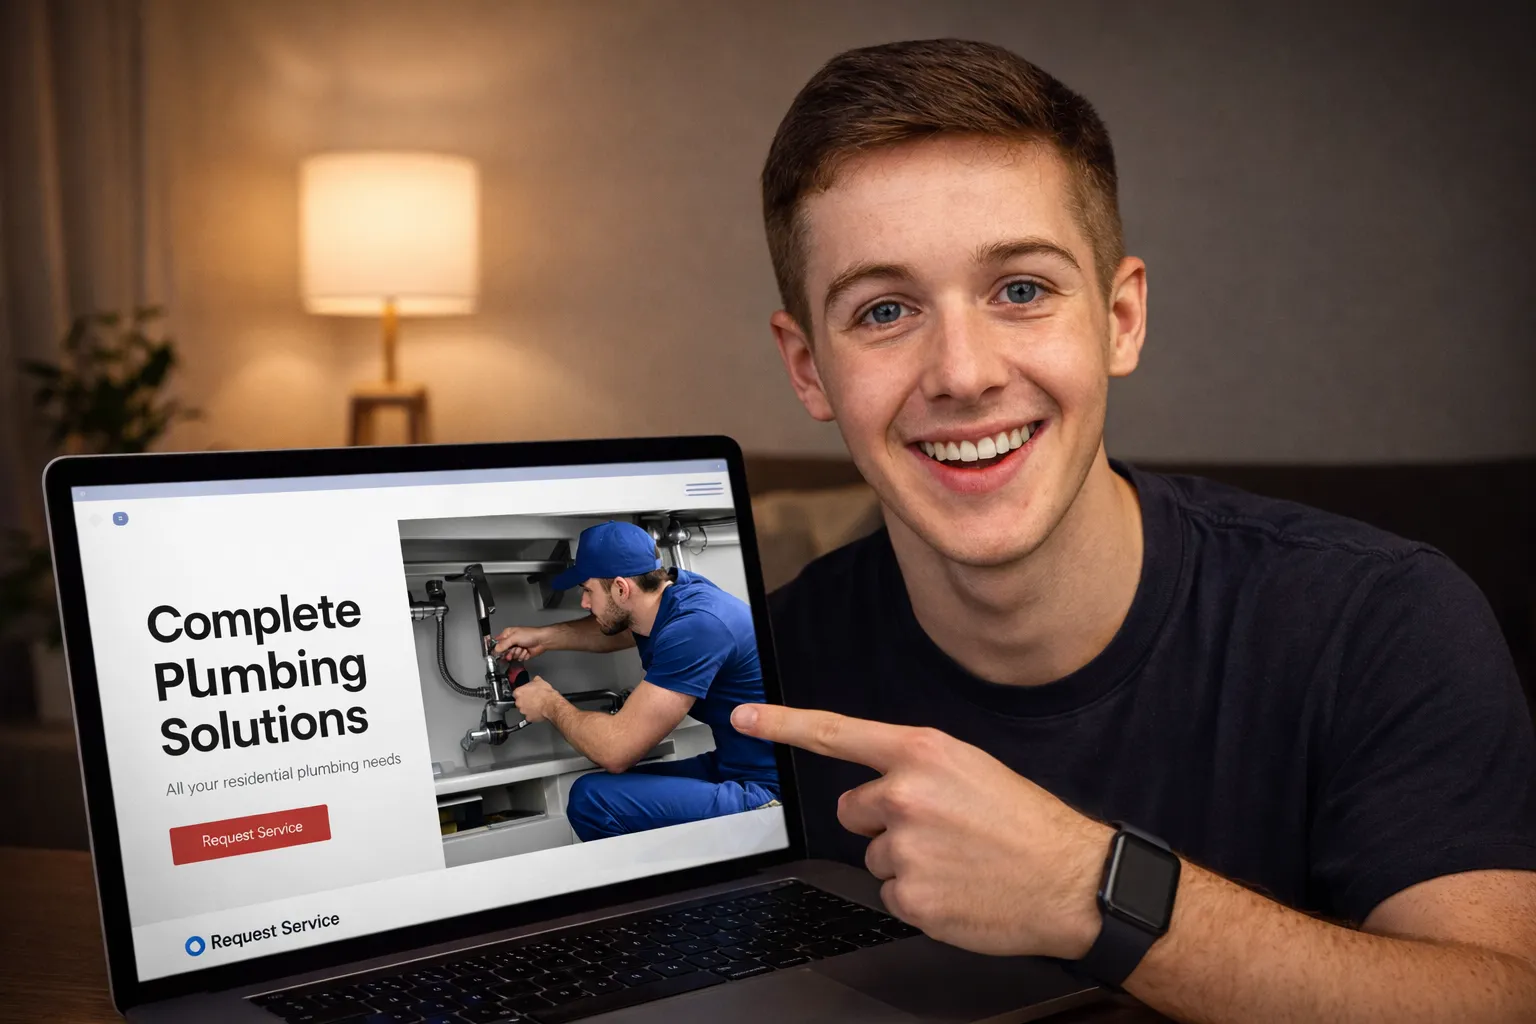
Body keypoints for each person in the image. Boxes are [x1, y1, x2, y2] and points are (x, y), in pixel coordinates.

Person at [728, 38, 1536, 1021]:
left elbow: (1504, 999)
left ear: (1119, 317)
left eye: (1021, 289)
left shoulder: (1382, 618)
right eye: (885, 309)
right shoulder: (755, 686)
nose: (964, 372)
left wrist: (1091, 886)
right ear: (808, 368)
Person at [493, 520, 778, 842]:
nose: (585, 603)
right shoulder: (676, 595)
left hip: (769, 788)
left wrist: (549, 704)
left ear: (620, 588)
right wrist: (544, 637)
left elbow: (616, 751)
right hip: (736, 766)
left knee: (594, 799)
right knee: (616, 786)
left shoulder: (697, 627)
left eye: (587, 591)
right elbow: (627, 628)